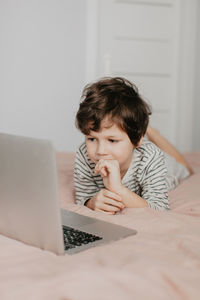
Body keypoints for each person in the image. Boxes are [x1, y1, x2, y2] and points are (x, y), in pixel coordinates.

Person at [74, 77, 192, 214]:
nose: (100, 151)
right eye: (92, 139)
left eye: (112, 140)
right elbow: (83, 197)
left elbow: (160, 208)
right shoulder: (84, 154)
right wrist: (91, 202)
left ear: (136, 141)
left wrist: (118, 189)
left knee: (187, 169)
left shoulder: (151, 157)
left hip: (167, 169)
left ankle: (150, 132)